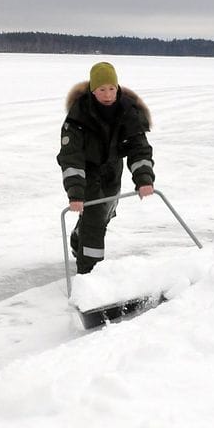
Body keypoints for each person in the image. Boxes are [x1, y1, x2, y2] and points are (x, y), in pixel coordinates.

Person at [57, 61, 155, 274]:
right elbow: (71, 158)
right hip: (88, 169)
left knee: (106, 213)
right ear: (93, 90)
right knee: (94, 219)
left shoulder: (128, 111)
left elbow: (139, 148)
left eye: (112, 88)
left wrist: (144, 178)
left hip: (112, 168)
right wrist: (75, 193)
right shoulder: (77, 117)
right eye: (102, 89)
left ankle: (78, 236)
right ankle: (91, 275)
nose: (108, 94)